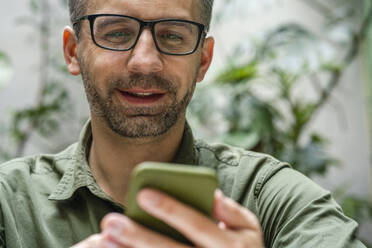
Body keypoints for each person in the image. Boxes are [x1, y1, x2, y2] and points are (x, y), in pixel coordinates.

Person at [0, 0, 367, 247]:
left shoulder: (270, 197)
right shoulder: (9, 201)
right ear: (72, 51)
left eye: (173, 35)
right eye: (116, 33)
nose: (145, 62)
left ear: (203, 60)